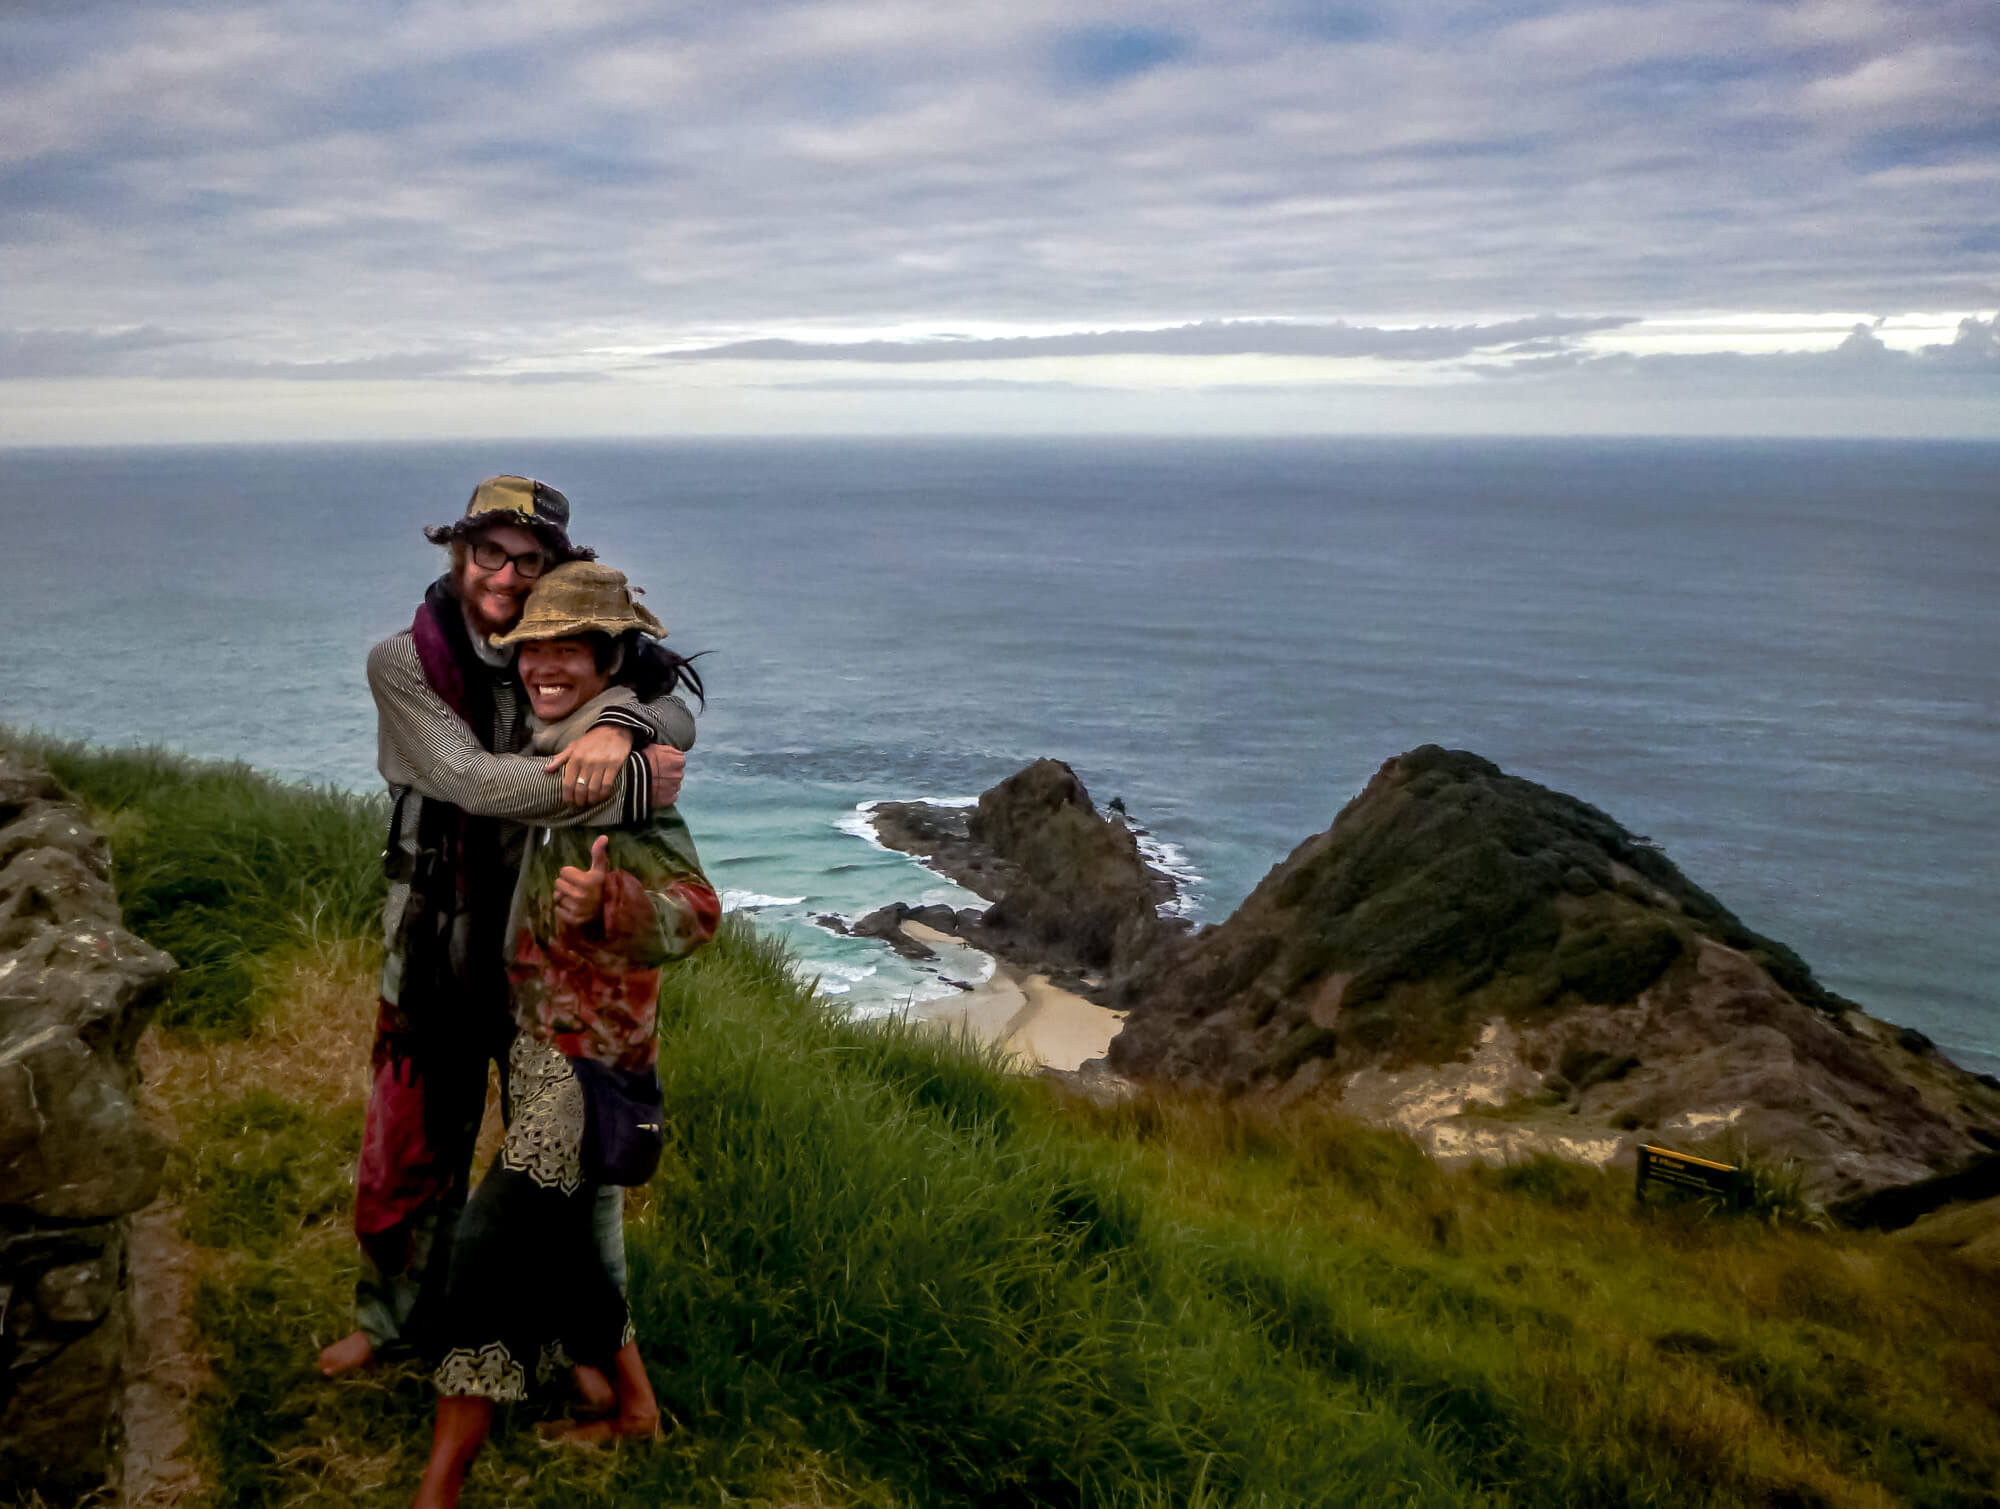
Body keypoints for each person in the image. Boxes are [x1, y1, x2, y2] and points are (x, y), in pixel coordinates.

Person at [319, 476, 694, 1383]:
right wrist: (629, 775)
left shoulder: (571, 647)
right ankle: (396, 1318)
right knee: (412, 1135)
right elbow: (479, 782)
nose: (506, 575)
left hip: (548, 940)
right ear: (461, 553)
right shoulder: (401, 662)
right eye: (492, 552)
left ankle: (564, 1339)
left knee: (556, 1159)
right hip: (434, 927)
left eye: (530, 561)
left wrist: (619, 721)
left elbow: (675, 704)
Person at [412, 561, 720, 1509]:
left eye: (567, 649)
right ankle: (632, 1408)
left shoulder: (624, 782)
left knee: (490, 1240)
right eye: (533, 649)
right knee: (578, 1251)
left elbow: (701, 910)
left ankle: (442, 1479)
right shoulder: (565, 750)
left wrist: (610, 902)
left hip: (589, 1063)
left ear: (605, 658)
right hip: (541, 1042)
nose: (545, 664)